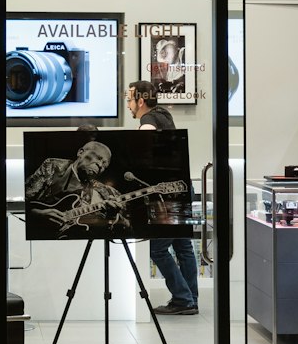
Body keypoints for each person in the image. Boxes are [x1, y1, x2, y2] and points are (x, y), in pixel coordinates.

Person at [127, 80, 199, 316]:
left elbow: (143, 155)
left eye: (129, 100)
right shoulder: (164, 115)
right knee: (183, 246)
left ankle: (182, 298)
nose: (128, 105)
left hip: (166, 194)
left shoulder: (147, 122)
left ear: (141, 100)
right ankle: (190, 299)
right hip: (181, 188)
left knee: (157, 250)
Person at [25, 138, 126, 234]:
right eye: (98, 158)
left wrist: (111, 217)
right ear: (80, 152)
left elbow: (121, 227)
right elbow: (23, 201)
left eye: (104, 165)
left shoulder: (103, 191)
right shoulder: (53, 166)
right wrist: (37, 214)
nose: (100, 165)